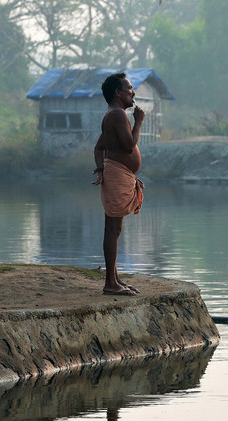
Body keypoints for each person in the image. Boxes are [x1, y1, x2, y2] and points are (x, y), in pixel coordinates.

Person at [93, 72, 145, 296]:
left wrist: (102, 168)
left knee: (115, 228)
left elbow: (99, 148)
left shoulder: (114, 114)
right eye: (130, 88)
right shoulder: (116, 114)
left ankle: (114, 278)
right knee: (112, 228)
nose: (133, 92)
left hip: (118, 174)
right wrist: (139, 121)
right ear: (118, 92)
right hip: (118, 174)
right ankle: (110, 283)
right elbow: (128, 145)